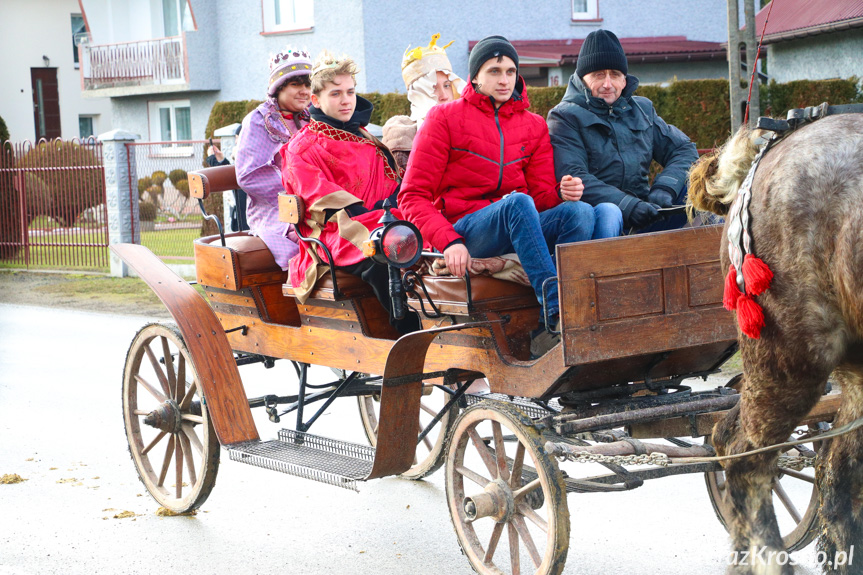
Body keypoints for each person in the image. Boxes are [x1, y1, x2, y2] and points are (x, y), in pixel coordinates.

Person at [398, 35, 623, 357]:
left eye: (510, 71)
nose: (504, 80)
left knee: (582, 212)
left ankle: (591, 304)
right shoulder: (443, 118)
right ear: (474, 76)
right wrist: (449, 241)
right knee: (517, 202)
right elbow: (413, 196)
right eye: (494, 71)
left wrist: (561, 193)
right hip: (468, 230)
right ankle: (557, 312)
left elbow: (541, 197)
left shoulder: (533, 125)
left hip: (519, 224)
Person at [281, 51, 418, 334]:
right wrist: (381, 220)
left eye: (350, 92)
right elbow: (323, 203)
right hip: (332, 232)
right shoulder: (301, 148)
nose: (346, 100)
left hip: (379, 217)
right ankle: (406, 330)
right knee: (382, 250)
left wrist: (392, 207)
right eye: (336, 94)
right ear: (316, 100)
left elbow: (390, 183)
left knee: (426, 229)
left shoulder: (363, 136)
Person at [548, 30, 699, 233]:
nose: (608, 84)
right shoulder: (564, 117)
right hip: (599, 220)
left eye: (615, 75)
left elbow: (684, 149)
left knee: (704, 189)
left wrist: (665, 187)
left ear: (624, 80)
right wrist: (628, 206)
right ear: (583, 78)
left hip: (646, 212)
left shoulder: (643, 110)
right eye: (599, 75)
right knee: (610, 212)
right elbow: (575, 175)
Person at [235, 47, 313, 269]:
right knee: (312, 238)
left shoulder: (313, 119)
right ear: (278, 88)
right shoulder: (259, 121)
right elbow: (250, 176)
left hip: (317, 202)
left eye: (308, 85)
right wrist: (299, 193)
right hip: (276, 210)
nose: (304, 91)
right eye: (296, 84)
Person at [381, 33, 465, 171]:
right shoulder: (402, 138)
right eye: (433, 87)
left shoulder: (469, 128)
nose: (444, 96)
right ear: (418, 94)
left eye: (447, 85)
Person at [206, 138, 249, 232]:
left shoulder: (244, 170)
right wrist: (221, 160)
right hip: (242, 222)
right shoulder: (247, 167)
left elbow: (223, 177)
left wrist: (212, 158)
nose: (236, 141)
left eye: (238, 137)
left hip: (246, 224)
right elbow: (230, 174)